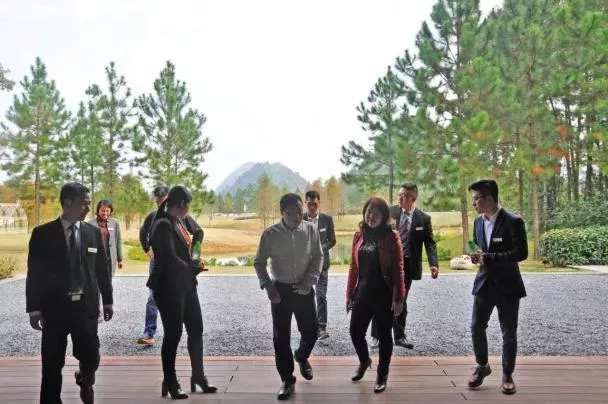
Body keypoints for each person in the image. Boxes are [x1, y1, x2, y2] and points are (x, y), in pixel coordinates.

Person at [26, 182, 113, 404]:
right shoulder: (43, 234)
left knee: (91, 356)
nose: (89, 207)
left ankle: (85, 379)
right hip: (54, 309)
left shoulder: (92, 232)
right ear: (67, 203)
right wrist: (33, 309)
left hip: (86, 307)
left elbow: (102, 269)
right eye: (84, 203)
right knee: (51, 365)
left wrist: (108, 301)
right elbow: (34, 273)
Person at [146, 185, 216, 399]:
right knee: (173, 335)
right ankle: (170, 380)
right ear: (181, 204)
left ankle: (199, 376)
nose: (189, 208)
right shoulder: (162, 224)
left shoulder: (181, 220)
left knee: (196, 329)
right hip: (168, 288)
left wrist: (195, 257)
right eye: (189, 204)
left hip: (186, 285)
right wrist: (192, 268)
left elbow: (198, 235)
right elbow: (168, 259)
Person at [253, 193, 323, 400]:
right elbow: (259, 262)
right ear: (282, 212)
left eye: (300, 211)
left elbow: (318, 256)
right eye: (291, 213)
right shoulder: (270, 234)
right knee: (280, 338)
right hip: (280, 291)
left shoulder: (310, 229)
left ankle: (301, 355)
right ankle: (287, 380)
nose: (297, 216)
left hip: (304, 288)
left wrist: (309, 281)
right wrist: (268, 287)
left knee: (312, 331)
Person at [467, 179, 528, 395]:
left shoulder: (513, 221)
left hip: (508, 285)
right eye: (473, 199)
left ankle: (507, 375)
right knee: (476, 326)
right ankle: (482, 366)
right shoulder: (477, 222)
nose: (473, 203)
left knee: (508, 331)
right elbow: (479, 249)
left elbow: (521, 253)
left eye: (476, 199)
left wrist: (489, 256)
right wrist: (476, 257)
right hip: (484, 283)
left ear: (489, 198)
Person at [347, 197, 405, 393]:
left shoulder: (391, 236)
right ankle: (364, 361)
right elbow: (353, 268)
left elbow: (398, 269)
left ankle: (382, 374)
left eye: (376, 213)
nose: (371, 216)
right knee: (355, 331)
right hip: (362, 293)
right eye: (368, 212)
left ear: (384, 216)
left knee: (384, 336)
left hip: (383, 294)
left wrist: (399, 298)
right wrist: (349, 294)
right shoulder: (358, 236)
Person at [371, 183, 439, 349]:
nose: (399, 198)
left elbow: (430, 243)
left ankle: (400, 337)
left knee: (400, 299)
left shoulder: (423, 219)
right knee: (381, 298)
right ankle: (377, 336)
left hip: (408, 265)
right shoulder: (390, 212)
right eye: (399, 195)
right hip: (386, 263)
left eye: (403, 196)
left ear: (412, 198)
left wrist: (433, 264)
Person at [136, 186, 203, 346]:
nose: (161, 203)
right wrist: (147, 249)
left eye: (163, 199)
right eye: (158, 201)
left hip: (183, 272)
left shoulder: (183, 217)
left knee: (187, 325)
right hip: (161, 267)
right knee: (153, 299)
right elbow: (143, 233)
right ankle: (149, 332)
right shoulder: (156, 218)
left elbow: (199, 233)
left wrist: (195, 256)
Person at [302, 190, 336, 341]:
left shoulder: (327, 219)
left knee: (321, 296)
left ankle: (321, 328)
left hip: (322, 265)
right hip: (304, 266)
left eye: (315, 203)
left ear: (319, 203)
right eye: (309, 203)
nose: (312, 206)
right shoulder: (300, 219)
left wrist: (321, 247)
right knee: (306, 296)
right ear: (306, 203)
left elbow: (332, 240)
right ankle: (309, 327)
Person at [88, 200, 123, 276]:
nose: (105, 213)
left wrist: (120, 259)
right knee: (95, 280)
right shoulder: (90, 224)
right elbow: (86, 243)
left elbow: (118, 241)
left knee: (109, 280)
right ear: (98, 210)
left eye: (107, 211)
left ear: (110, 211)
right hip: (95, 259)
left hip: (110, 258)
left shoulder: (115, 223)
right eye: (103, 211)